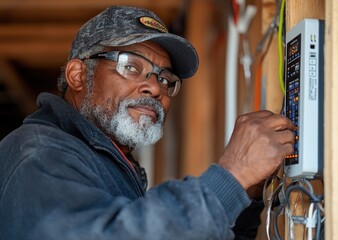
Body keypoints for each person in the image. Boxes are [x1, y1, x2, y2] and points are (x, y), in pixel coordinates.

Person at [0, 6, 295, 240]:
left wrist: (243, 192)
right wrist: (232, 174)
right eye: (130, 66)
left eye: (165, 78)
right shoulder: (38, 153)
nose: (155, 88)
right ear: (78, 75)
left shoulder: (106, 161)